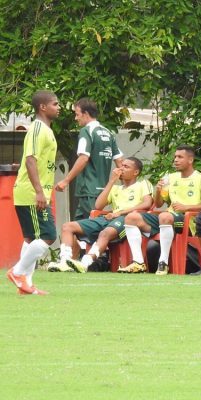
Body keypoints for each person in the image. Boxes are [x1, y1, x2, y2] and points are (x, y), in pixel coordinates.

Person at [120, 145, 201, 274]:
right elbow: (159, 204)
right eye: (175, 157)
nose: (175, 160)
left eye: (180, 157)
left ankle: (163, 263)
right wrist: (158, 191)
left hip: (190, 222)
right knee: (131, 217)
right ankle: (138, 263)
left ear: (190, 160)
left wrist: (187, 207)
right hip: (167, 219)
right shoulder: (169, 178)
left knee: (165, 216)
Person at [50, 157, 153, 273]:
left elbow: (147, 203)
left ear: (136, 172)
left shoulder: (143, 184)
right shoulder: (115, 188)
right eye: (121, 166)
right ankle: (64, 262)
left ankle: (85, 263)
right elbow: (98, 206)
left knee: (105, 233)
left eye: (126, 167)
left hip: (127, 220)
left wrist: (120, 213)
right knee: (67, 226)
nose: (121, 169)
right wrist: (111, 181)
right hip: (109, 219)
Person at [6, 90, 60, 295]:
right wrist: (39, 192)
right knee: (48, 235)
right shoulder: (37, 129)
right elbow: (30, 159)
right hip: (31, 192)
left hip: (33, 192)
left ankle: (25, 284)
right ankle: (18, 272)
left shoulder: (45, 129)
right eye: (55, 104)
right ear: (43, 107)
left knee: (30, 237)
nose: (59, 107)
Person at [55, 98, 123, 220]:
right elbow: (119, 161)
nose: (76, 118)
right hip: (103, 191)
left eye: (77, 114)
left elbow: (83, 158)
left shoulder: (86, 131)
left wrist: (65, 181)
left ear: (86, 114)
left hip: (88, 191)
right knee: (76, 230)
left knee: (93, 227)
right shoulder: (108, 133)